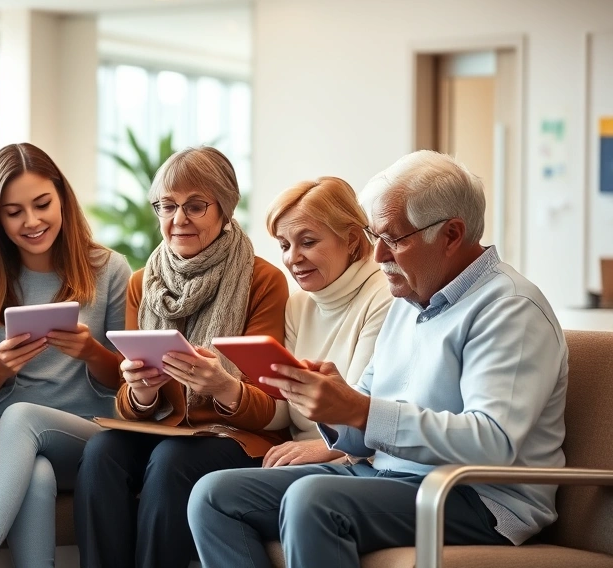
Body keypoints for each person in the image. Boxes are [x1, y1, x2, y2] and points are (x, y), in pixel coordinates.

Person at [188, 150, 567, 568]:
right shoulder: (408, 300)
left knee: (312, 499)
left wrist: (362, 411)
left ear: (452, 234)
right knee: (213, 496)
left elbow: (492, 442)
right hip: (388, 476)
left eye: (393, 239)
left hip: (477, 496)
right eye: (376, 238)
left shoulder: (509, 309)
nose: (379, 255)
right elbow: (361, 427)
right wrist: (334, 405)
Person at [75, 146, 290, 568]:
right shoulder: (142, 282)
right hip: (165, 431)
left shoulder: (263, 280)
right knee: (101, 452)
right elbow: (129, 403)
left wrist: (222, 386)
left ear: (225, 209)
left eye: (195, 206)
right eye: (167, 206)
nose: (178, 219)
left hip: (235, 436)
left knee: (172, 460)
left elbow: (269, 408)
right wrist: (140, 394)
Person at [0, 143, 131, 568]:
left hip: (85, 430)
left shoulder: (109, 269)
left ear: (62, 200)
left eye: (42, 204)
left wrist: (91, 352)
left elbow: (128, 383)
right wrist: (2, 366)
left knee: (25, 417)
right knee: (34, 474)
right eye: (14, 212)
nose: (32, 221)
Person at [260, 177, 392, 467]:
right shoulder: (298, 303)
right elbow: (286, 409)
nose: (292, 258)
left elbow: (359, 410)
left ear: (352, 240)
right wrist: (227, 390)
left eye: (308, 242)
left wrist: (323, 448)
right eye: (284, 245)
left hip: (356, 459)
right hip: (299, 455)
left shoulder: (385, 296)